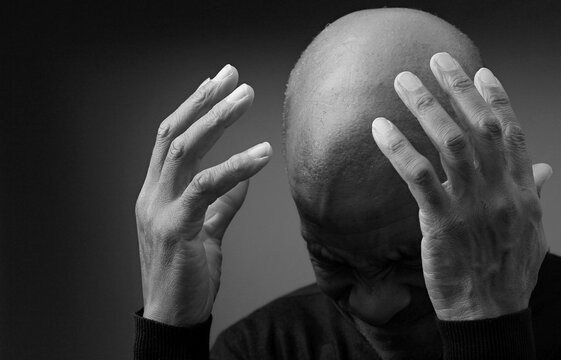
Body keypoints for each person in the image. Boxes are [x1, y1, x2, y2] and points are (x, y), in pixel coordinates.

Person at [133, 8, 561, 360]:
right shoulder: (265, 349)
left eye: (414, 257)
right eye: (331, 260)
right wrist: (169, 331)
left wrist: (487, 327)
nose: (375, 306)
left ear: (498, 193)